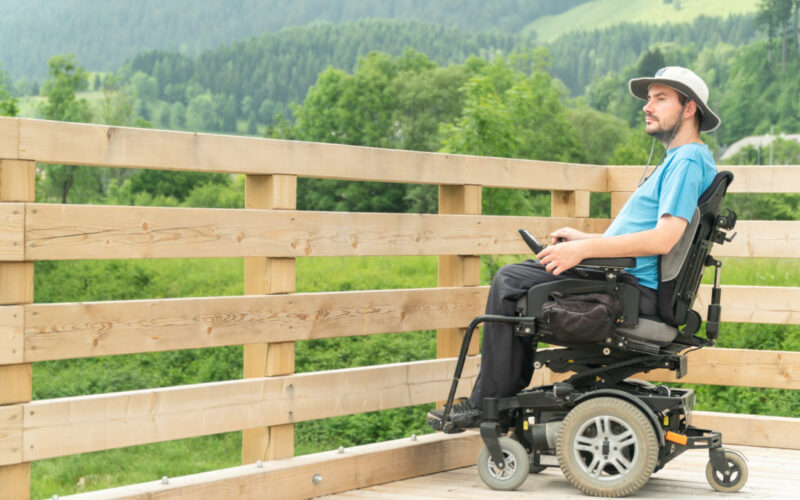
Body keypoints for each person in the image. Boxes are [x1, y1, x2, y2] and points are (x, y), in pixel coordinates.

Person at [427, 66, 721, 432]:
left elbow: (664, 238)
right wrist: (583, 240)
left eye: (660, 98)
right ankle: (494, 400)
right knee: (522, 276)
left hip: (628, 287)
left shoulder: (687, 160)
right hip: (623, 277)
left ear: (689, 108)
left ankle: (487, 406)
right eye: (649, 98)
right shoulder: (684, 160)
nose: (648, 106)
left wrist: (583, 253)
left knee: (510, 281)